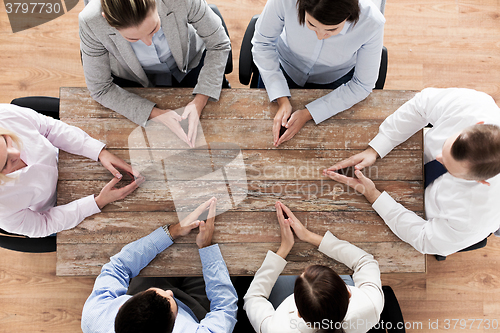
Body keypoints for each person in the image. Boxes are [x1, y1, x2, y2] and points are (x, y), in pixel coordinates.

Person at [324, 88, 500, 256]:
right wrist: (377, 148)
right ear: (477, 124)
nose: (438, 157)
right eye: (446, 146)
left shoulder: (476, 218)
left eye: (449, 167)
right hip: (407, 154)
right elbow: (421, 106)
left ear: (482, 181)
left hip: (424, 214)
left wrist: (374, 196)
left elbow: (424, 239)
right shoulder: (475, 105)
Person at [79, 0, 231, 147]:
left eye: (154, 29)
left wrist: (200, 100)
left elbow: (219, 43)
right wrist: (156, 114)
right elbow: (100, 88)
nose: (148, 43)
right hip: (131, 76)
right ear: (107, 20)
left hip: (187, 63)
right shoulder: (91, 21)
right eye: (133, 38)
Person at [81, 197, 238, 333]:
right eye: (170, 297)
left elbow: (118, 267)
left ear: (120, 307)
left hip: (147, 297)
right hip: (195, 313)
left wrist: (172, 231)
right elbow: (225, 310)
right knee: (231, 268)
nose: (169, 292)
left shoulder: (95, 317)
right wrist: (207, 248)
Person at [252, 0, 385, 147]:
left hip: (336, 79)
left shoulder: (372, 22)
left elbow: (362, 84)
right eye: (311, 25)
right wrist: (281, 99)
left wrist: (308, 114)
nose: (320, 36)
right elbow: (262, 43)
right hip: (284, 66)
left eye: (333, 30)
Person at [0, 104, 143, 238]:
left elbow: (49, 128)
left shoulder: (4, 115)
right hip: (57, 207)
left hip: (64, 156)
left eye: (6, 141)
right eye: (6, 162)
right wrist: (98, 202)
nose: (17, 154)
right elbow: (44, 224)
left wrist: (98, 151)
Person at [244, 201, 383, 333]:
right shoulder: (370, 305)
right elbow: (365, 262)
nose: (304, 269)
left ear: (298, 313)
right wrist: (308, 235)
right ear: (348, 294)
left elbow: (253, 298)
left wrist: (284, 248)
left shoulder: (278, 328)